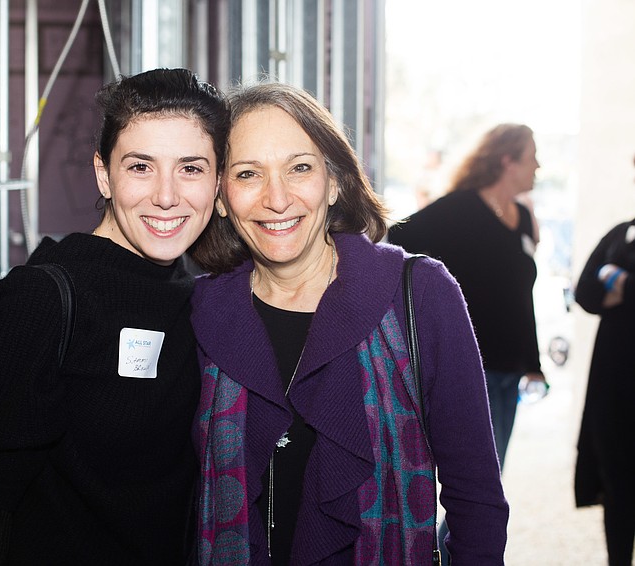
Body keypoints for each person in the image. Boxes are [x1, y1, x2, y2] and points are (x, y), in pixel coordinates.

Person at [189, 82, 507, 565]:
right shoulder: (204, 311)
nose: (278, 198)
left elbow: (475, 491)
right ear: (220, 198)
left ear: (334, 181)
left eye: (300, 168)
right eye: (249, 173)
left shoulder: (420, 294)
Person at [0, 68, 229, 564]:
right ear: (104, 175)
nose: (167, 195)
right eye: (140, 167)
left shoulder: (198, 299)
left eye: (191, 168)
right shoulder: (38, 302)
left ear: (217, 184)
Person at [389, 123, 547, 467]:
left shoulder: (520, 218)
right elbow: (391, 243)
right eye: (533, 158)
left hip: (510, 370)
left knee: (492, 478)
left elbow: (520, 297)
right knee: (479, 485)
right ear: (508, 161)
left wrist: (533, 363)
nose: (539, 167)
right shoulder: (458, 209)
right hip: (471, 365)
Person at [574, 157, 635, 566]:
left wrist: (618, 281)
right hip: (615, 387)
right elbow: (583, 291)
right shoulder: (621, 232)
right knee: (618, 485)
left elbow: (605, 287)